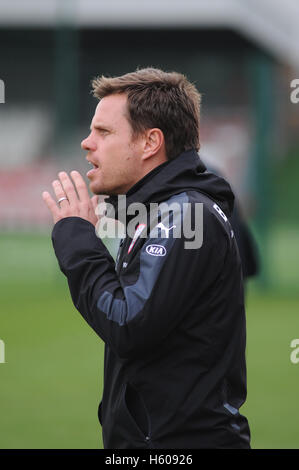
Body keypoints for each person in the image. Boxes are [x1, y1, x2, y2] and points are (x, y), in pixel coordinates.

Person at [42, 68, 251, 449]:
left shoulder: (187, 215)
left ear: (150, 142)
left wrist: (78, 241)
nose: (87, 143)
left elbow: (129, 323)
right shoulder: (158, 213)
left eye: (104, 132)